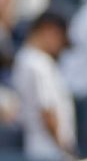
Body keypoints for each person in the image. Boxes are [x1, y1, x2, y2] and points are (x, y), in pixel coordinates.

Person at [11, 11, 76, 161]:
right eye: (60, 39)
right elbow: (47, 112)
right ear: (49, 30)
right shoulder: (37, 63)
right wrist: (65, 150)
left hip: (39, 148)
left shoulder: (25, 59)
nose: (60, 47)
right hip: (49, 151)